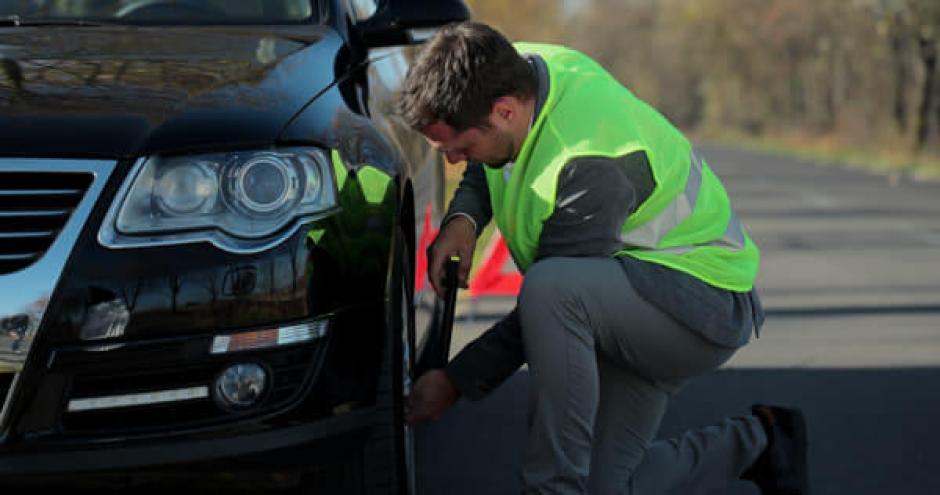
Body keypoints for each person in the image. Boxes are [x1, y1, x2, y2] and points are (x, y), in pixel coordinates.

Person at [397, 21, 808, 495]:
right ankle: (763, 441)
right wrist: (463, 220)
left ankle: (552, 489)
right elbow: (488, 161)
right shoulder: (509, 70)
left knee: (551, 290)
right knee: (606, 486)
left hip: (696, 304)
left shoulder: (590, 160)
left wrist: (454, 381)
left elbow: (546, 311)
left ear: (505, 111)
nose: (453, 161)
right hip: (624, 296)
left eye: (460, 148)